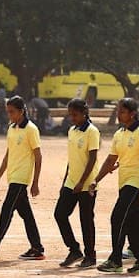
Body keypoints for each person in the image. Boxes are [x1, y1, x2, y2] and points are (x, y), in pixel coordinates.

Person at [0, 96, 45, 261]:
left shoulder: (31, 129)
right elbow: (8, 155)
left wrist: (35, 182)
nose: (9, 115)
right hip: (12, 177)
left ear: (21, 111)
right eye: (8, 112)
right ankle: (37, 248)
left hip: (21, 179)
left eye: (12, 112)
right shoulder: (12, 128)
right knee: (26, 215)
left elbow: (38, 156)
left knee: (6, 211)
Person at [95, 98, 139, 274]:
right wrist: (96, 180)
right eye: (118, 111)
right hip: (124, 183)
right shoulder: (119, 134)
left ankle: (115, 260)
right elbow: (111, 159)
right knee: (134, 224)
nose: (118, 114)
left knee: (117, 218)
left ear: (132, 113)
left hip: (135, 184)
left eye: (122, 111)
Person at [53, 99, 99, 269]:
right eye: (70, 114)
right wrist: (66, 180)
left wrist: (82, 182)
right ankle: (74, 249)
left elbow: (93, 158)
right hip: (71, 182)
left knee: (86, 220)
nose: (72, 118)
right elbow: (71, 160)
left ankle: (90, 255)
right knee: (59, 214)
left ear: (84, 113)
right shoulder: (72, 131)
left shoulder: (92, 131)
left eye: (75, 114)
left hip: (86, 185)